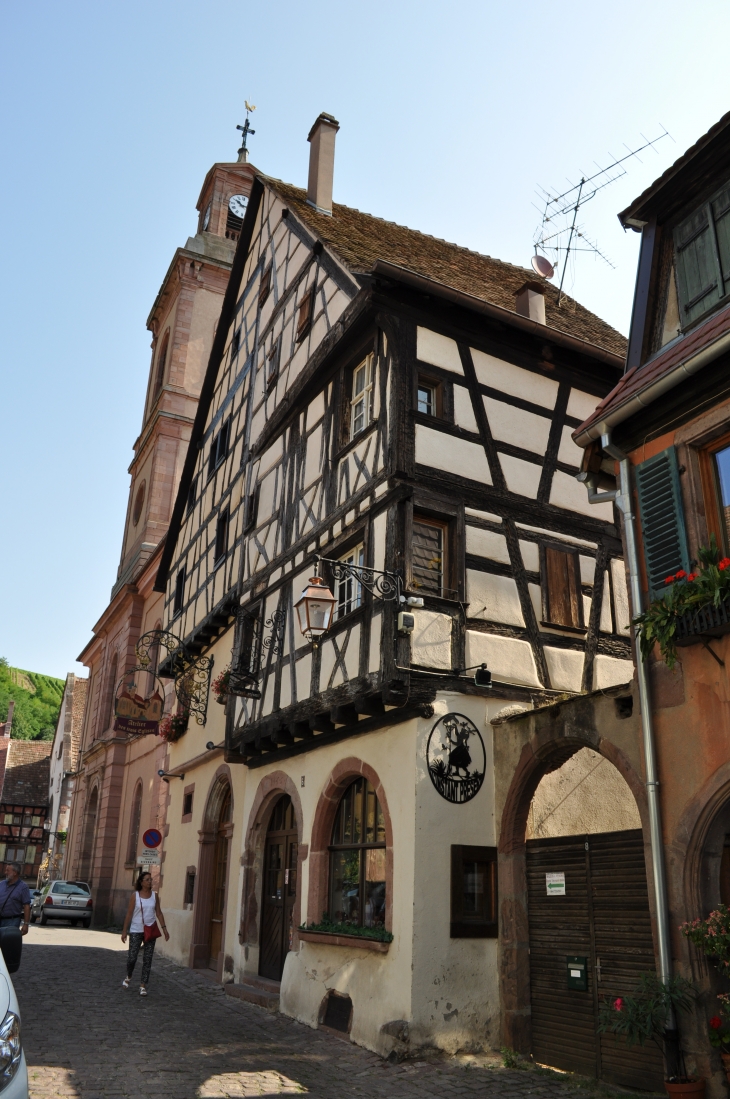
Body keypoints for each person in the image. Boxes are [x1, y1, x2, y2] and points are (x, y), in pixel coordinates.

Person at [121, 870, 169, 995]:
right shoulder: (135, 896)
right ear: (141, 882)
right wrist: (124, 931)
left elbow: (158, 912)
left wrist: (164, 928)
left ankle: (143, 985)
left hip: (150, 929)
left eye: (150, 879)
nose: (150, 881)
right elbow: (129, 913)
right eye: (147, 879)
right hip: (136, 929)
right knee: (132, 957)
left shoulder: (154, 896)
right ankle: (129, 975)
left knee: (148, 959)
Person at [0, 862, 31, 935]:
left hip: (12, 921)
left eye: (8, 870)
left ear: (15, 872)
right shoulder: (1, 884)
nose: (5, 872)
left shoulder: (23, 887)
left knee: (9, 944)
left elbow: (26, 906)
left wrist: (26, 924)